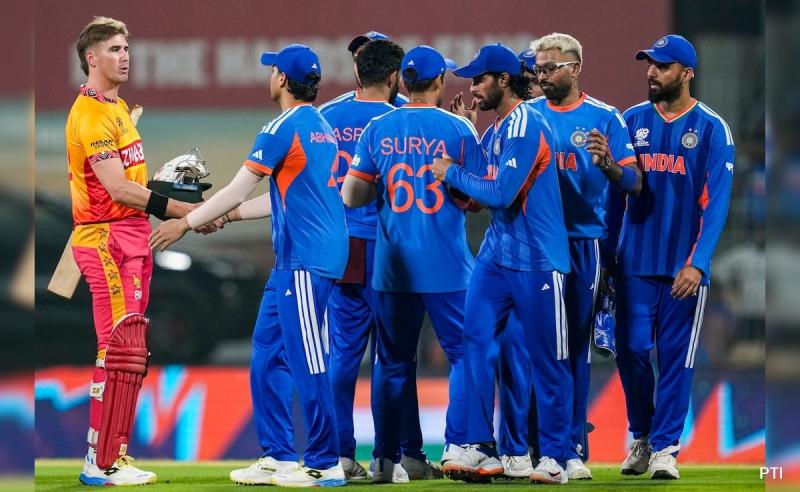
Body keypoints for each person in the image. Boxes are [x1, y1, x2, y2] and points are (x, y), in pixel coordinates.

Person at [149, 43, 349, 488]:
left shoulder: (281, 127)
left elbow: (237, 189)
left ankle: (324, 463)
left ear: (282, 79)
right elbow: (281, 197)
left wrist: (185, 224)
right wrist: (228, 217)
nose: (270, 75)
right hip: (298, 260)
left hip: (306, 259)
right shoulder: (319, 125)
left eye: (273, 70)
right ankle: (278, 456)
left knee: (307, 361)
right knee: (267, 354)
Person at [433, 43, 573, 485]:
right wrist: (468, 135)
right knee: (473, 341)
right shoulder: (495, 131)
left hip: (538, 259)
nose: (473, 87)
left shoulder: (528, 125)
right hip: (497, 256)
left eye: (480, 79)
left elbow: (501, 194)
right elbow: (477, 198)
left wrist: (450, 172)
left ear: (505, 80)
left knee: (548, 360)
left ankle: (556, 456)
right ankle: (479, 446)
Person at [67, 16, 196, 486]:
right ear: (91, 58)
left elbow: (132, 183)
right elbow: (117, 189)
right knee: (116, 349)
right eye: (114, 49)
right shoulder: (90, 114)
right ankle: (98, 461)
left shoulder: (118, 108)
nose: (125, 57)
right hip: (106, 239)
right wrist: (180, 210)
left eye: (126, 48)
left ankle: (114, 455)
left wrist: (164, 188)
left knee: (133, 351)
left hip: (133, 236)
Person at [340, 45, 477, 483]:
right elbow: (475, 198)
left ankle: (383, 459)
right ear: (439, 82)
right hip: (447, 266)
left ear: (404, 80)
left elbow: (351, 196)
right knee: (466, 357)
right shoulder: (459, 128)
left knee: (392, 363)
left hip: (392, 269)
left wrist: (382, 186)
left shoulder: (378, 128)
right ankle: (460, 448)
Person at [613, 35, 735, 480]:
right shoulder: (630, 121)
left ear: (686, 73)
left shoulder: (712, 128)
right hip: (633, 264)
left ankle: (665, 448)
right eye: (649, 64)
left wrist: (698, 262)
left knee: (676, 358)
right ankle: (642, 436)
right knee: (630, 351)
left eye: (662, 66)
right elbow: (613, 196)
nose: (651, 72)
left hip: (683, 269)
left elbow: (716, 203)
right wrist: (608, 258)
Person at [523, 32, 642, 480]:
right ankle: (525, 446)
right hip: (533, 244)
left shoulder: (605, 117)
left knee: (573, 347)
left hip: (581, 243)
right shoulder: (526, 114)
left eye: (550, 67)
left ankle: (569, 447)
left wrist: (608, 164)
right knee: (531, 348)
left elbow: (634, 181)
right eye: (538, 68)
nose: (542, 75)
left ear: (575, 68)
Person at [319, 31, 409, 111]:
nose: (366, 64)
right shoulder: (330, 112)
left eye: (373, 59)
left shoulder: (407, 110)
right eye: (358, 58)